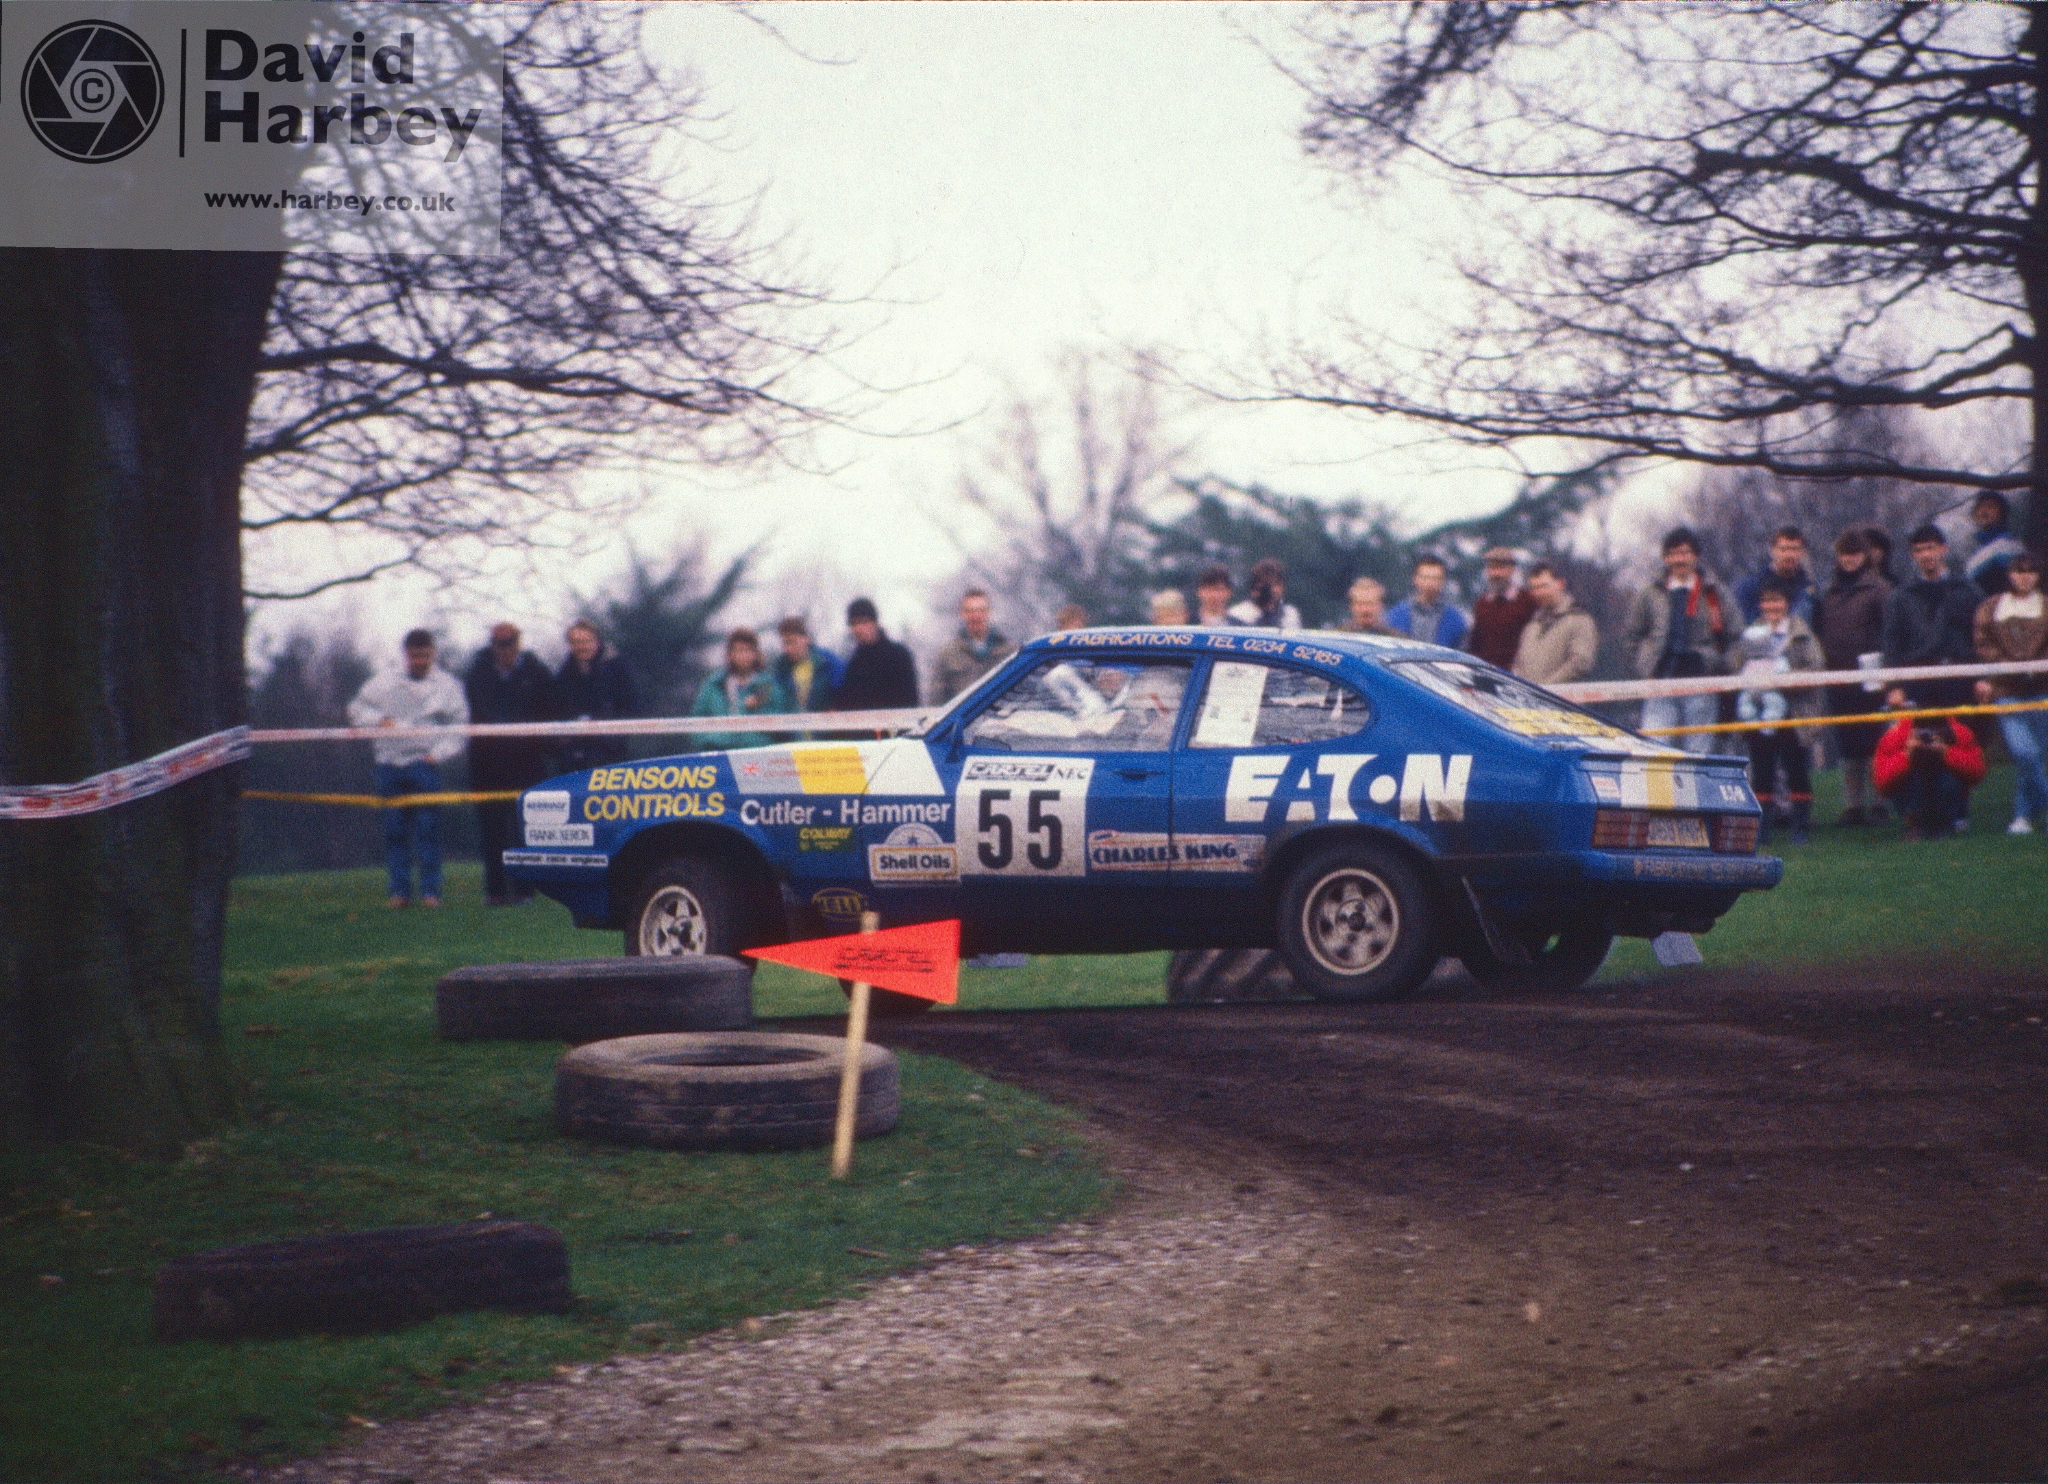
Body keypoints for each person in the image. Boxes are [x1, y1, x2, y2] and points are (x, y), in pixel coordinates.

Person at [347, 629, 468, 909]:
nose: (420, 661)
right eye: (414, 656)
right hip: (388, 765)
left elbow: (460, 726)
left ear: (433, 653)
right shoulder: (384, 681)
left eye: (425, 655)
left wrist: (437, 755)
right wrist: (379, 720)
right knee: (394, 833)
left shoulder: (447, 685)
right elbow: (355, 710)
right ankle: (399, 893)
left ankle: (430, 893)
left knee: (428, 831)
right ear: (406, 654)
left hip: (424, 766)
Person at [463, 623, 555, 906]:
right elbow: (474, 713)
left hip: (526, 761)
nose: (504, 650)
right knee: (491, 829)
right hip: (487, 762)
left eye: (509, 643)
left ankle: (524, 890)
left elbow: (548, 710)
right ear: (492, 646)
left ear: (518, 643)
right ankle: (495, 891)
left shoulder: (537, 673)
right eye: (499, 644)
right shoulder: (476, 674)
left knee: (523, 828)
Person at [1728, 579, 1824, 842]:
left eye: (1777, 600)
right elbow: (1736, 665)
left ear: (1787, 603)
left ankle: (1800, 828)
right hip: (1759, 712)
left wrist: (1786, 680)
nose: (1771, 606)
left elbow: (1816, 667)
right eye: (1766, 601)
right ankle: (1762, 831)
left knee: (1796, 770)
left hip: (1794, 712)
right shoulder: (1750, 633)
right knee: (1762, 771)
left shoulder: (1802, 633)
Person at [1623, 527, 1732, 755]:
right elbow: (1632, 636)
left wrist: (1718, 663)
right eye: (1673, 554)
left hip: (1702, 682)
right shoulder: (1649, 594)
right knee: (1653, 748)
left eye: (1684, 553)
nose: (1679, 559)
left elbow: (1736, 637)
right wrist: (1645, 664)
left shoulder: (1714, 593)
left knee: (1699, 753)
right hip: (1661, 680)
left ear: (1695, 556)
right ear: (1665, 558)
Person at [1814, 529, 1894, 825]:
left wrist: (1886, 672)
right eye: (1844, 554)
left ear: (1865, 556)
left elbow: (1890, 633)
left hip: (1871, 674)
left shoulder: (1880, 589)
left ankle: (1880, 803)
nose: (1849, 560)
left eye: (1855, 554)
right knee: (1847, 742)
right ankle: (1852, 806)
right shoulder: (1828, 592)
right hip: (1838, 674)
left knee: (1875, 738)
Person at [1973, 550, 2048, 834]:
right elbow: (1983, 643)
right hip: (2006, 688)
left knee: (2035, 756)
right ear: (2009, 575)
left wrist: (2035, 665)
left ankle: (2022, 816)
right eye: (2018, 571)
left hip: (2041, 688)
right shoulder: (1991, 607)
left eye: (2030, 571)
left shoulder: (2045, 606)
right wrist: (2009, 665)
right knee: (2023, 752)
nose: (2024, 577)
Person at [1881, 523, 1981, 711]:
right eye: (1919, 550)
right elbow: (1892, 644)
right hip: (1917, 682)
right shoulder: (1901, 597)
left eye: (1930, 548)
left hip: (1961, 679)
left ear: (1944, 549)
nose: (1926, 555)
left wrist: (1982, 677)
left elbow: (1981, 637)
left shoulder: (1967, 591)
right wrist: (1894, 686)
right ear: (1913, 555)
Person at [1874, 692, 1985, 840]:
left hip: (1945, 784)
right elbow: (1882, 783)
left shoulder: (1959, 732)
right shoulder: (1896, 736)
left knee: (1950, 780)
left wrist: (1946, 752)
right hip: (1913, 787)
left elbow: (1977, 772)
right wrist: (1907, 754)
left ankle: (1945, 823)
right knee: (1909, 779)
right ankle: (1915, 824)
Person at [553, 619, 640, 772]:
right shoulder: (564, 674)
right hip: (574, 754)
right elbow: (558, 708)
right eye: (576, 642)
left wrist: (612, 737)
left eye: (586, 641)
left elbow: (631, 705)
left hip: (612, 752)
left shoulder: (617, 668)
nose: (582, 646)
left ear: (597, 642)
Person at [690, 628, 790, 751]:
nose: (744, 656)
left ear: (756, 653)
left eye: (748, 650)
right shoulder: (712, 685)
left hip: (758, 754)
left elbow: (782, 725)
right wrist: (712, 741)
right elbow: (696, 723)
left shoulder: (770, 686)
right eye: (739, 650)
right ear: (730, 654)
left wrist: (756, 710)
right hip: (720, 753)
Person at [1512, 563, 1598, 687]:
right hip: (1527, 698)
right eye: (1534, 588)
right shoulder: (1531, 626)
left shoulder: (1580, 621)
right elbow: (1518, 666)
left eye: (1544, 586)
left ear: (1560, 584)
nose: (1539, 593)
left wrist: (1546, 689)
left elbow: (1580, 662)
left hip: (1561, 698)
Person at [930, 589, 1018, 704]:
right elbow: (936, 700)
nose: (976, 616)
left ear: (989, 613)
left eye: (981, 610)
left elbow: (1020, 692)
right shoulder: (948, 655)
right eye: (970, 611)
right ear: (962, 614)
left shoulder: (1009, 652)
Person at [834, 597, 920, 713]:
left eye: (863, 622)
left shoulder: (898, 656)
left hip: (895, 722)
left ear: (875, 623)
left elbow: (910, 702)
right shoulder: (854, 664)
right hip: (862, 724)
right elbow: (847, 705)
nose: (858, 629)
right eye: (853, 624)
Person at [1467, 546, 1538, 670]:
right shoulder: (1482, 603)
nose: (1496, 574)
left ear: (1512, 570)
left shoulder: (1527, 601)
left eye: (1501, 568)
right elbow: (1475, 644)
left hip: (1517, 674)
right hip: (1486, 673)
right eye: (1491, 568)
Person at [1734, 525, 1815, 625]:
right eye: (1784, 549)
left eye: (1795, 549)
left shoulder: (1809, 591)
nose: (1789, 555)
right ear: (1772, 551)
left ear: (1802, 552)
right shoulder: (1750, 587)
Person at [771, 615, 843, 724]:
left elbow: (843, 692)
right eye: (785, 643)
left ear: (806, 639)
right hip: (792, 731)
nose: (788, 649)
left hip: (824, 731)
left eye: (792, 642)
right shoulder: (780, 669)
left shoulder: (828, 662)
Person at [1387, 555, 1470, 648]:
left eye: (1436, 578)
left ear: (1443, 581)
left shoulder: (1455, 620)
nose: (1430, 583)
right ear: (1415, 579)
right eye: (1425, 577)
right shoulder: (1395, 616)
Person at [1964, 492, 2026, 598]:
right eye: (1980, 507)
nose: (1984, 511)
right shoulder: (1977, 547)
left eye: (1991, 507)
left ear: (2001, 513)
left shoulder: (2007, 547)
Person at [1228, 557, 1301, 630]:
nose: (1271, 590)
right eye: (1265, 584)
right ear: (1254, 589)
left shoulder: (1291, 614)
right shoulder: (1238, 614)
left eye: (1275, 584)